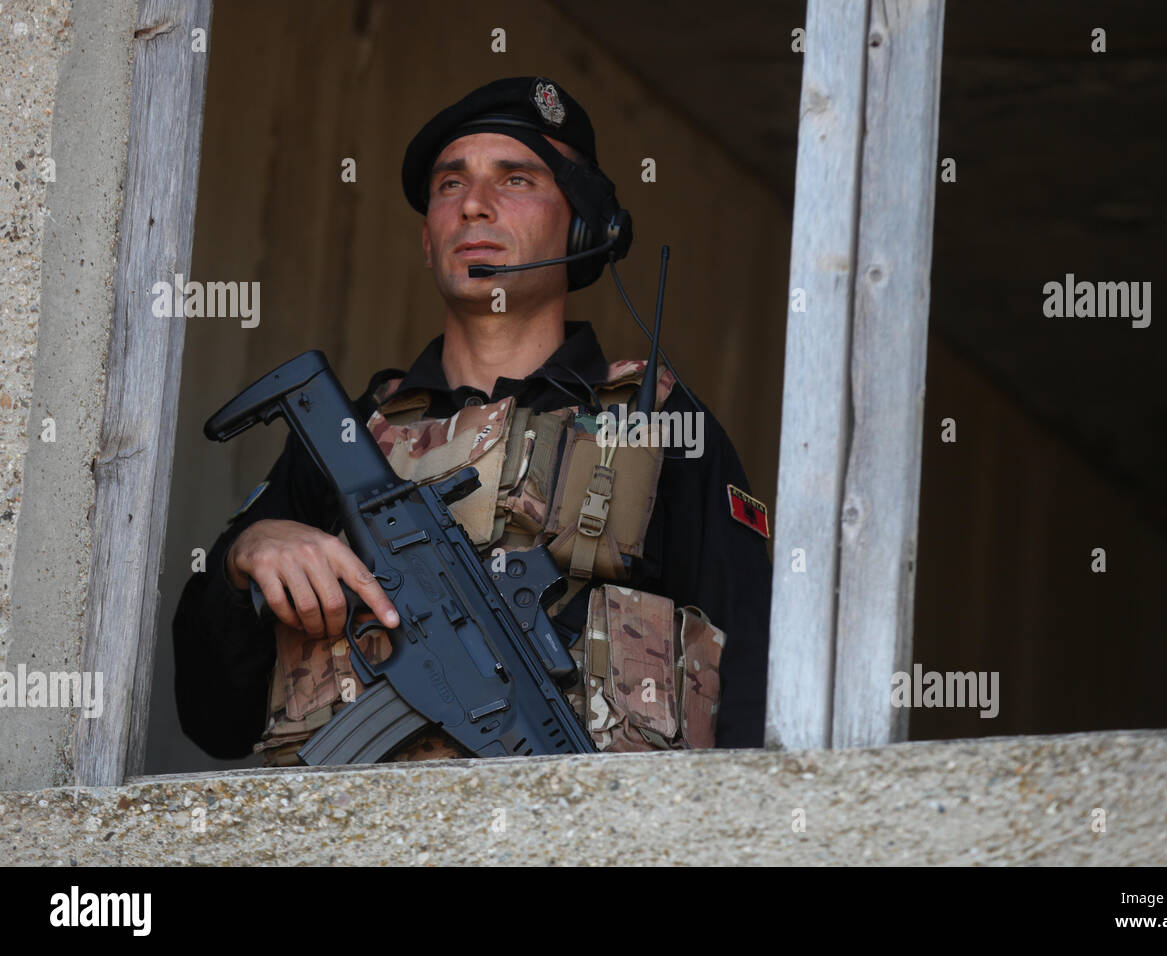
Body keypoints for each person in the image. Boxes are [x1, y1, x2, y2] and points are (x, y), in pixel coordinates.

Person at [173, 76, 771, 763]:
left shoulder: (658, 423)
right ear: (428, 240)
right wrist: (244, 560)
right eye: (450, 185)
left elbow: (756, 681)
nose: (474, 208)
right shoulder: (348, 436)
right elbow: (211, 716)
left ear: (583, 227)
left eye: (515, 179)